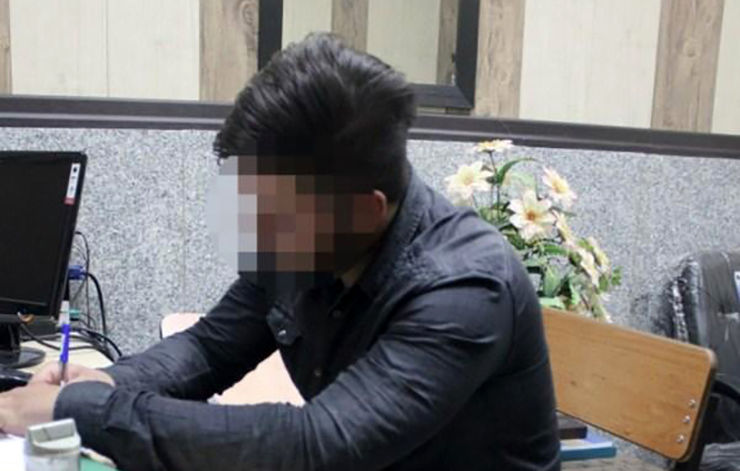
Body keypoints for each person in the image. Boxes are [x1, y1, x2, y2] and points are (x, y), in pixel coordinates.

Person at [0, 33, 560, 470]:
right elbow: (208, 348)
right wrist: (109, 383)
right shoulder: (311, 242)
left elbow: (317, 445)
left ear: (365, 212)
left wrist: (86, 411)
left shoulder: (464, 288)